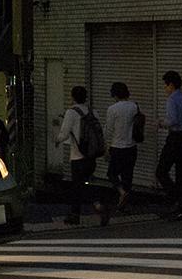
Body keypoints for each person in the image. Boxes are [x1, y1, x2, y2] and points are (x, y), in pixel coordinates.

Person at [56, 86, 102, 226]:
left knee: (77, 187)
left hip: (78, 156)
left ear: (73, 97)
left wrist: (56, 140)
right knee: (86, 183)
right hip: (91, 156)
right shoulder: (93, 112)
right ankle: (98, 205)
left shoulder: (71, 112)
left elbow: (64, 134)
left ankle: (76, 215)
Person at [154, 70, 182, 220]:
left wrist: (160, 123)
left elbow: (172, 121)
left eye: (165, 85)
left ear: (170, 85)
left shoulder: (172, 100)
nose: (165, 89)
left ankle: (174, 198)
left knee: (161, 171)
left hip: (175, 138)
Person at [103, 82, 140, 213]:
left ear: (115, 94)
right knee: (127, 176)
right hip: (131, 147)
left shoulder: (112, 109)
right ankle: (123, 205)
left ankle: (121, 192)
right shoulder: (134, 107)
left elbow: (108, 130)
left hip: (117, 146)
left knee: (111, 173)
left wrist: (106, 147)